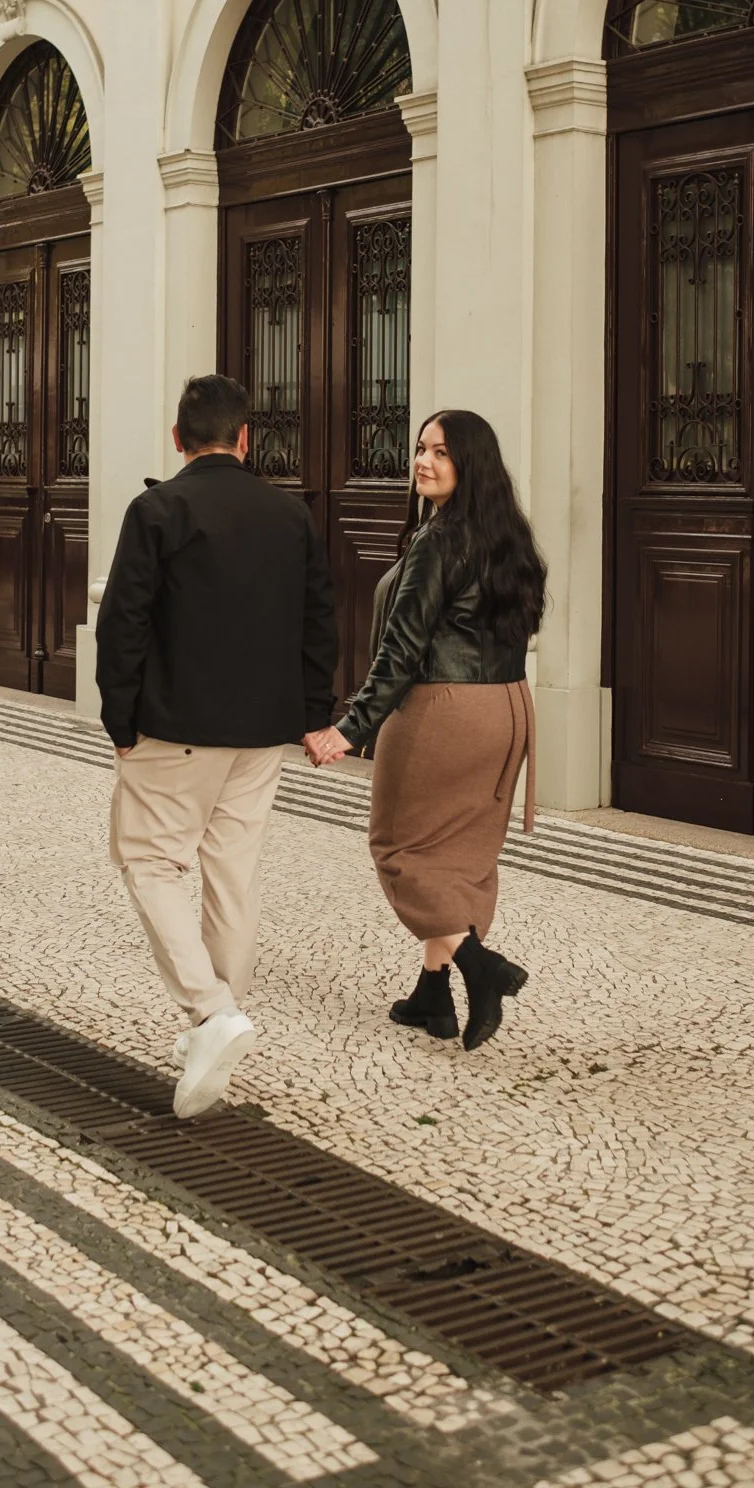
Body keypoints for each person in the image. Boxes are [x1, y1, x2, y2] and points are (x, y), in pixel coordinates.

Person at [96, 373, 338, 1118]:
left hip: (177, 728)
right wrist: (311, 711)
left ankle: (211, 1011)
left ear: (177, 439)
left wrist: (119, 717)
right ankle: (216, 1016)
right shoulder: (290, 515)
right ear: (245, 439)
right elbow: (318, 619)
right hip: (261, 733)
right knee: (231, 874)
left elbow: (123, 620)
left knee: (148, 859)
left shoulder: (158, 508)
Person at [305, 410, 545, 1051]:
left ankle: (479, 967)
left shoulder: (439, 542)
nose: (423, 461)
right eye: (419, 449)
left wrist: (349, 729)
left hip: (443, 710)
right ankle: (433, 994)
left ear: (471, 464)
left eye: (441, 452)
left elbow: (401, 652)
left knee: (400, 849)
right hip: (508, 710)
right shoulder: (509, 537)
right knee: (463, 857)